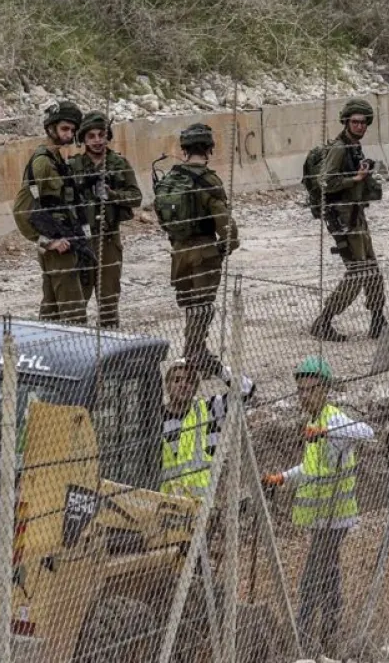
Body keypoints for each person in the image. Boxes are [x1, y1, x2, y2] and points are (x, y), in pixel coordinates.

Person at [262, 356, 374, 656]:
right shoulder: (313, 421)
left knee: (314, 573)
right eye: (300, 390)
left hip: (335, 517)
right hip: (321, 517)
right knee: (328, 570)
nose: (303, 396)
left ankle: (303, 630)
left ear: (324, 390)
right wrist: (282, 478)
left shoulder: (332, 418)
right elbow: (311, 468)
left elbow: (367, 432)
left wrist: (329, 432)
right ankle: (329, 625)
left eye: (309, 390)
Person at [310, 98, 389, 343]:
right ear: (347, 122)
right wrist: (355, 180)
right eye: (355, 122)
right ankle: (323, 321)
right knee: (358, 272)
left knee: (372, 269)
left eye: (363, 123)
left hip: (356, 216)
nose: (360, 126)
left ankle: (378, 320)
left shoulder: (354, 147)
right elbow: (324, 182)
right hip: (344, 219)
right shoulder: (339, 148)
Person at [156, 123, 239, 377]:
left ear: (184, 149)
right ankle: (192, 355)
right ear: (209, 148)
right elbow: (223, 221)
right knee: (203, 306)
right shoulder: (208, 180)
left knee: (191, 305)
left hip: (179, 252)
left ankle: (196, 350)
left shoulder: (171, 177)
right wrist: (228, 245)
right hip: (204, 251)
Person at [69, 111, 142, 328]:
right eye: (91, 136)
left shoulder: (118, 163)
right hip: (81, 241)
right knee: (78, 299)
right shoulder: (73, 166)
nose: (97, 140)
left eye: (101, 135)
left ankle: (111, 348)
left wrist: (112, 195)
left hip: (109, 239)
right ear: (83, 139)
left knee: (108, 299)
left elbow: (136, 197)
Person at [24, 101, 92, 324]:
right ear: (51, 128)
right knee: (73, 315)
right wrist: (47, 241)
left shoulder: (56, 159)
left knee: (51, 312)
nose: (69, 134)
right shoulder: (43, 162)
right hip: (57, 248)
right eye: (64, 129)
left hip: (65, 242)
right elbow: (23, 209)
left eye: (72, 130)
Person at [160, 359, 256, 499]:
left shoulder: (210, 409)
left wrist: (217, 369)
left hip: (203, 500)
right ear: (167, 386)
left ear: (196, 387)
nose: (183, 385)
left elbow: (248, 389)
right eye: (177, 380)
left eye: (189, 381)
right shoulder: (157, 418)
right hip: (168, 500)